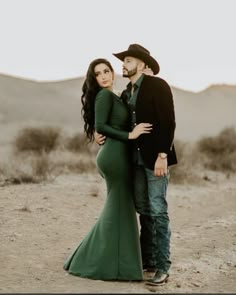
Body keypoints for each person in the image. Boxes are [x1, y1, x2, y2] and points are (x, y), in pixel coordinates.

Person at [63, 58, 153, 281]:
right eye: (98, 74)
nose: (103, 76)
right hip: (114, 157)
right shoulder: (103, 96)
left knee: (119, 207)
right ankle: (105, 262)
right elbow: (101, 126)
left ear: (113, 73)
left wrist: (147, 79)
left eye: (106, 71)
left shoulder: (116, 96)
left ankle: (114, 260)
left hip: (117, 154)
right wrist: (130, 135)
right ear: (94, 79)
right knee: (119, 206)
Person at [95, 44, 177, 286]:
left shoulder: (157, 86)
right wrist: (102, 135)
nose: (124, 64)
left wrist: (163, 154)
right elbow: (119, 126)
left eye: (128, 61)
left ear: (142, 64)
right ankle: (148, 261)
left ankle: (163, 267)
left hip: (155, 160)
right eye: (124, 61)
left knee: (158, 210)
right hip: (134, 161)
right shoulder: (126, 93)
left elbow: (168, 122)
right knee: (143, 209)